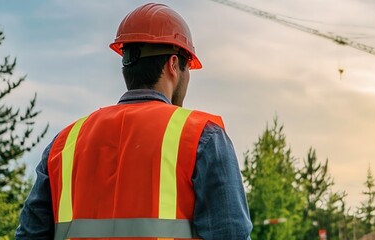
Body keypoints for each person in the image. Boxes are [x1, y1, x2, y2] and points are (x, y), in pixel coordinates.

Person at [15, 3, 252, 239]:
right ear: (173, 65)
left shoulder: (65, 143)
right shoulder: (202, 137)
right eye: (187, 66)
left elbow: (29, 235)